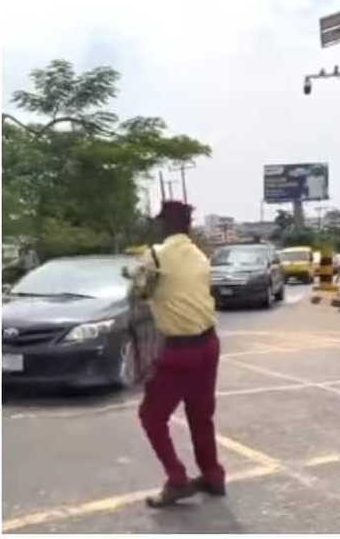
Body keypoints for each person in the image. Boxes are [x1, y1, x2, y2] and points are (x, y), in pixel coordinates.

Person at [137, 200, 226, 508]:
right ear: (188, 226)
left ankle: (177, 480)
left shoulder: (154, 257)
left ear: (166, 225)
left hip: (177, 351)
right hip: (208, 345)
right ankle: (213, 476)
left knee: (151, 416)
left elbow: (139, 293)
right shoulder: (201, 256)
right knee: (201, 415)